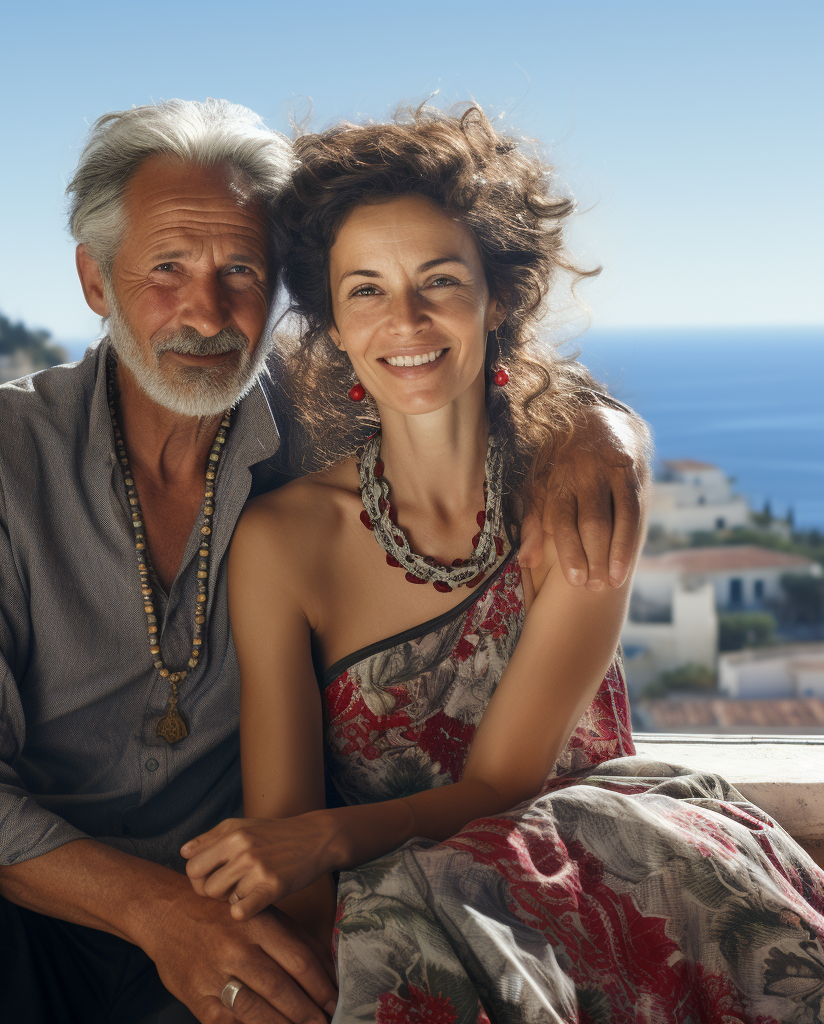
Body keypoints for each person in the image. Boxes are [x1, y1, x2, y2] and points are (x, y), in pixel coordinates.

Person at [0, 100, 652, 1024]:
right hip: (37, 911)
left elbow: (448, 356)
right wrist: (151, 911)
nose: (205, 312)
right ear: (96, 279)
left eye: (239, 270)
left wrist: (604, 429)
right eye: (166, 268)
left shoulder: (317, 414)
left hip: (240, 923)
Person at [180, 106, 824, 1023]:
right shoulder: (281, 542)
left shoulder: (582, 491)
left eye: (438, 280)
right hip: (414, 924)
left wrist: (328, 836)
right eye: (365, 290)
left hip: (607, 872)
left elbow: (501, 789)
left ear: (500, 298)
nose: (404, 320)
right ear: (331, 318)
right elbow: (280, 842)